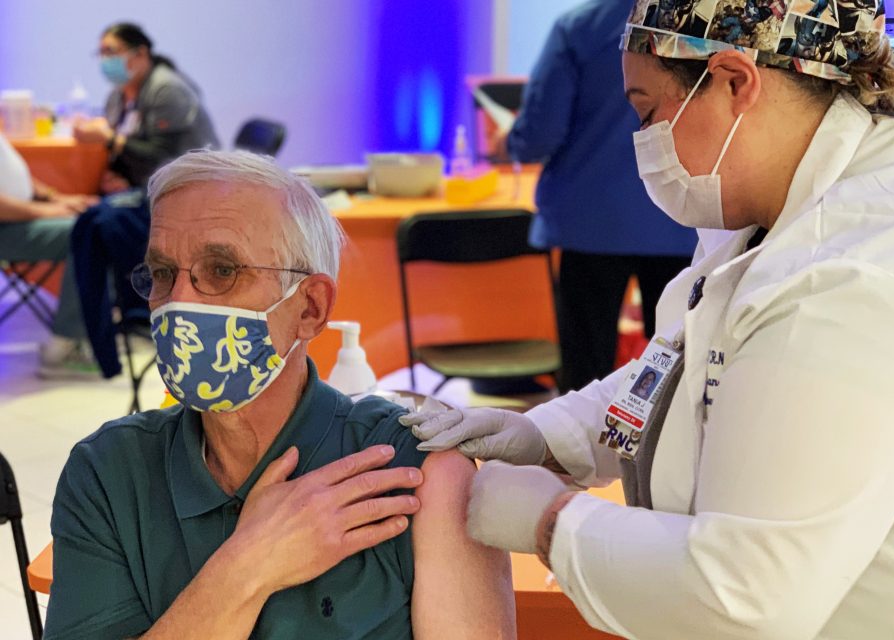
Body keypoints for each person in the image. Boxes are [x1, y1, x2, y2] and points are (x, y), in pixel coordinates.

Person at [400, 0, 894, 637]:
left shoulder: (861, 276)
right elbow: (691, 368)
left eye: (648, 112)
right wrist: (546, 435)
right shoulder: (786, 206)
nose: (644, 141)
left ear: (732, 80)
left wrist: (550, 522)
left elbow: (744, 596)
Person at [45, 150, 516, 639]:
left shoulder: (415, 471)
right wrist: (247, 568)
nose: (178, 302)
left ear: (310, 308)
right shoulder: (108, 471)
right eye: (163, 273)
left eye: (221, 270)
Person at [497, 0, 698, 392]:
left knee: (586, 373)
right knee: (679, 367)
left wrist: (510, 143)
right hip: (682, 219)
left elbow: (541, 133)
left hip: (592, 223)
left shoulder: (579, 29)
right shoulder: (705, 25)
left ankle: (584, 437)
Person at [71, 22, 220, 379]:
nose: (105, 60)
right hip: (149, 190)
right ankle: (111, 334)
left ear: (140, 54)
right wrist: (118, 171)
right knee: (88, 222)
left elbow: (167, 158)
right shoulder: (119, 96)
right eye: (101, 53)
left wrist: (112, 142)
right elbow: (131, 154)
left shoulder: (167, 90)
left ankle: (142, 306)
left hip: (189, 191)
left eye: (112, 52)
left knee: (97, 224)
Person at [0, 132, 99, 376]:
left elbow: (11, 171)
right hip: (7, 226)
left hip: (15, 221)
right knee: (90, 233)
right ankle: (69, 344)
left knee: (99, 222)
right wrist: (49, 210)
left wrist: (56, 199)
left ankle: (84, 333)